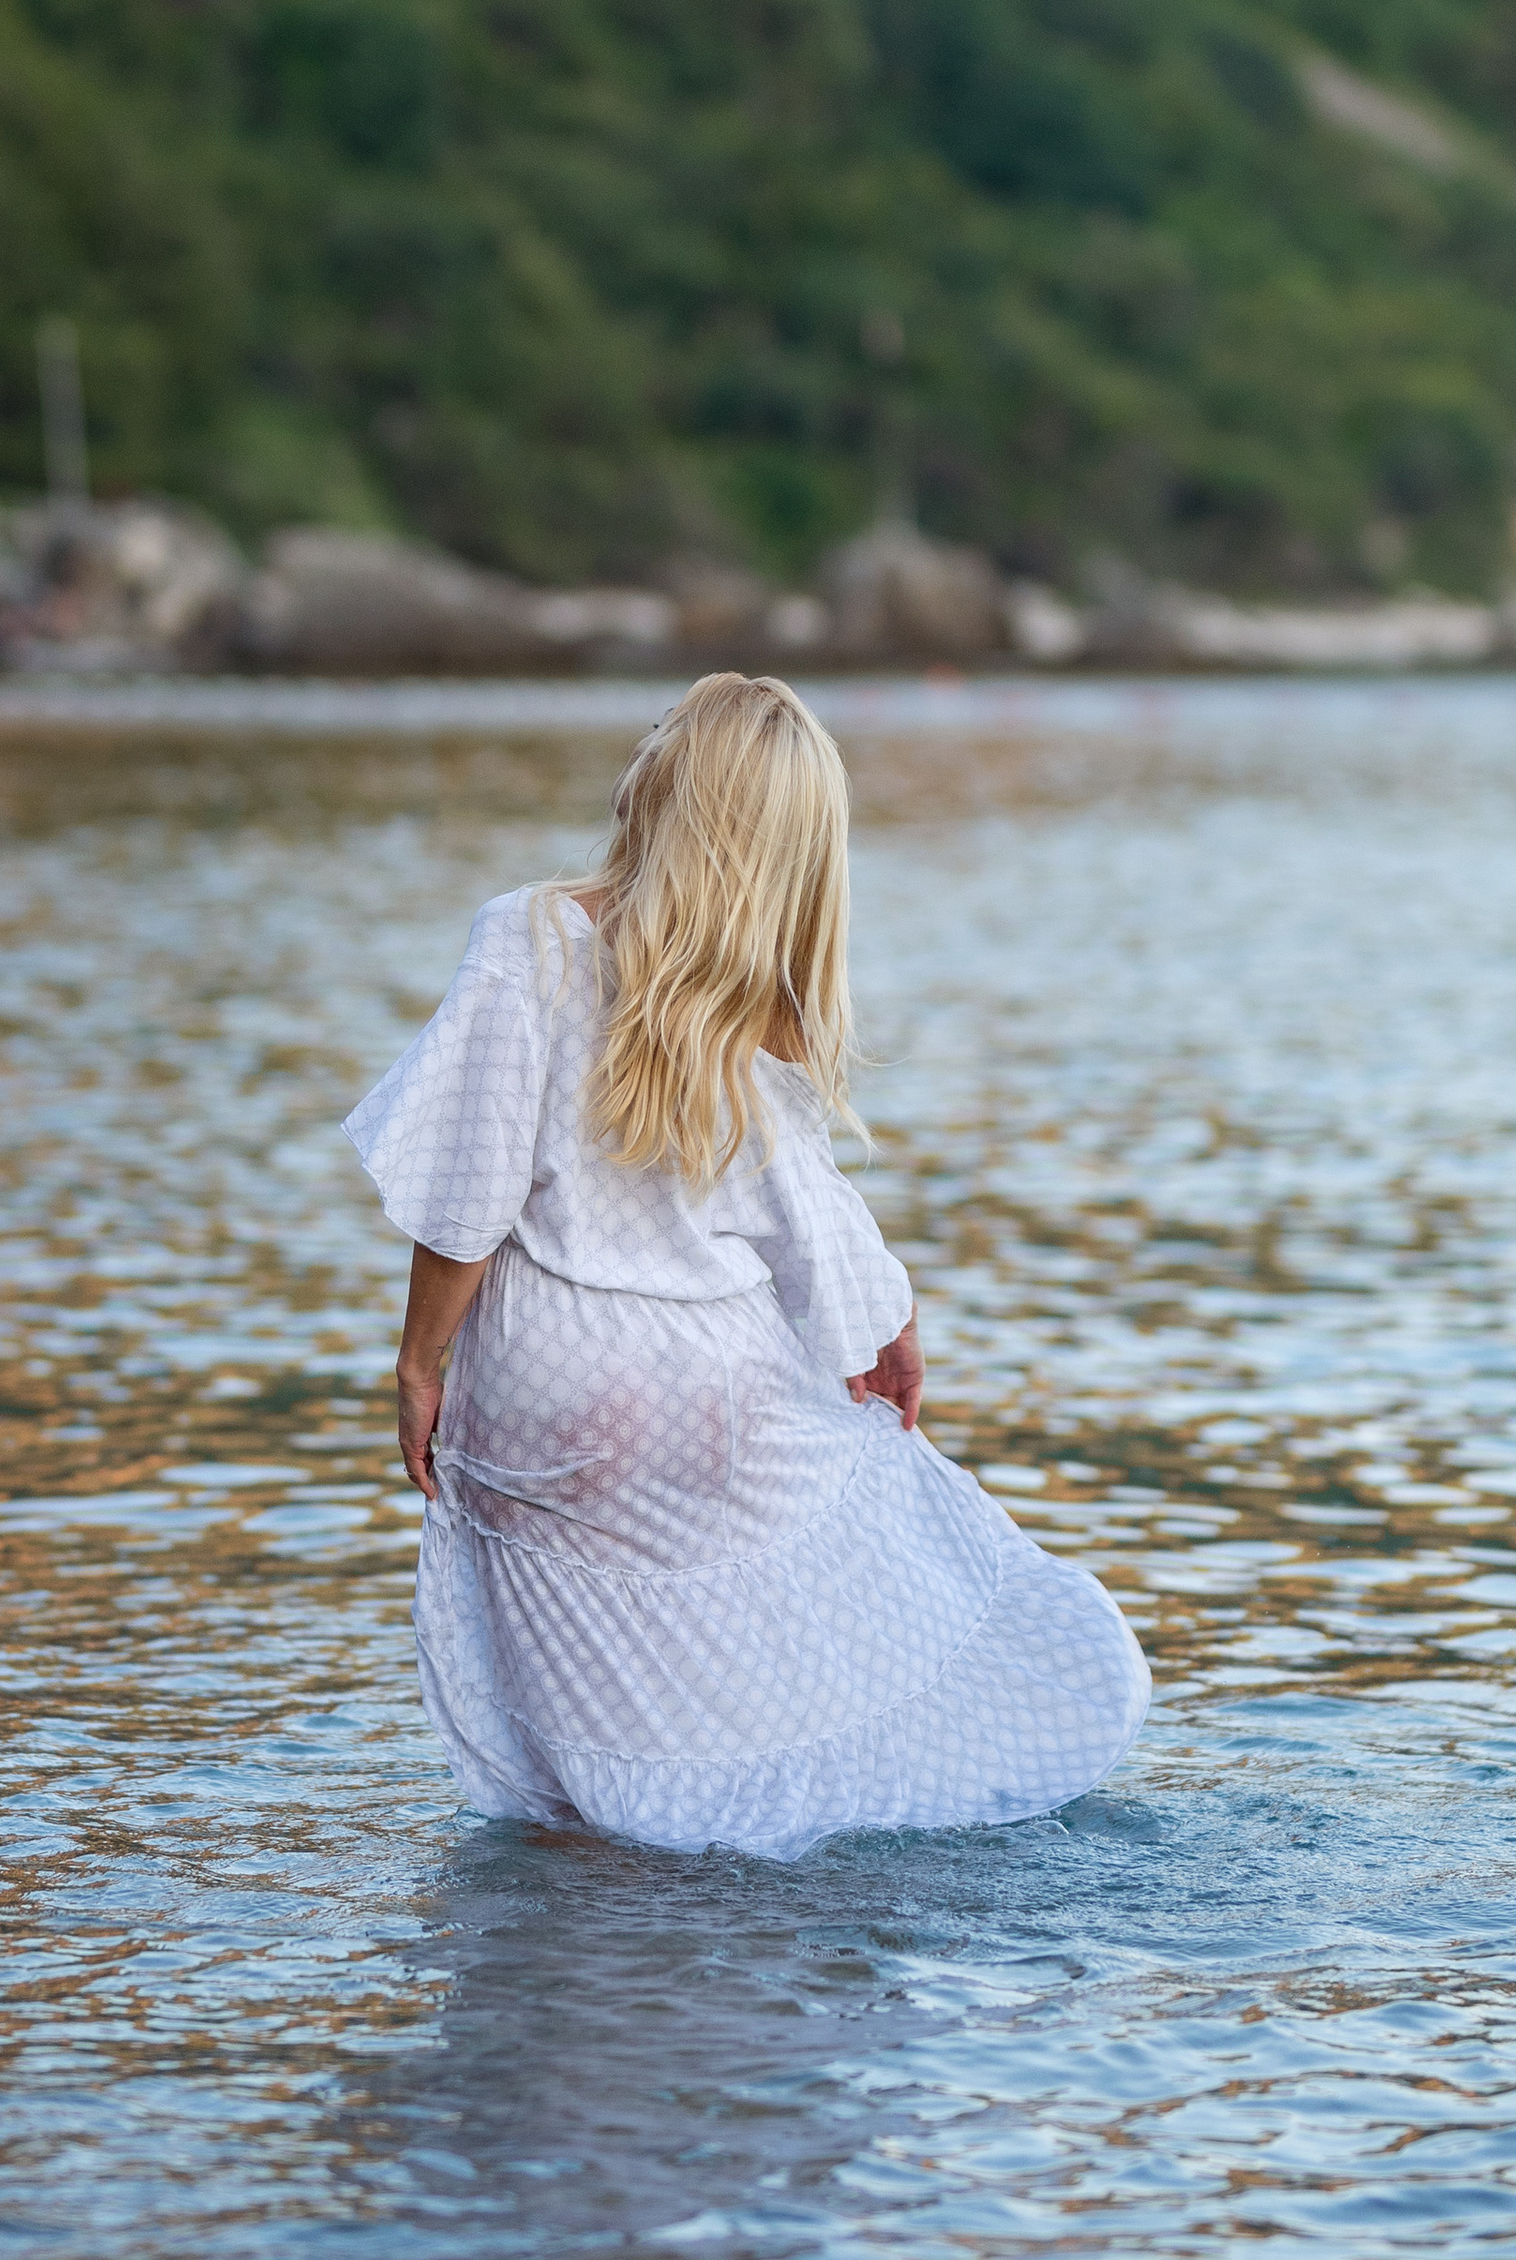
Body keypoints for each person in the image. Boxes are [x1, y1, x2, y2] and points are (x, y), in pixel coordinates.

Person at [343, 672, 1150, 1859]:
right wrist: (888, 1328)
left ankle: (592, 1933)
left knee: (584, 1740)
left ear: (656, 783)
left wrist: (420, 1361)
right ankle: (733, 1911)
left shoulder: (526, 937)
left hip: (551, 1387)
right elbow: (808, 1218)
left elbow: (469, 1188)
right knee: (743, 1681)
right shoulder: (754, 1010)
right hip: (718, 1390)